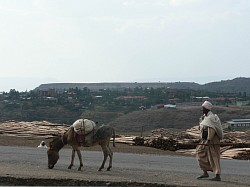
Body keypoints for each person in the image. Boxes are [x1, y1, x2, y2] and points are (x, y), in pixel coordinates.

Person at [196, 101, 223, 181]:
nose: (202, 109)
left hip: (211, 140)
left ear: (207, 109)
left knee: (213, 157)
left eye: (203, 108)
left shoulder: (211, 118)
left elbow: (211, 130)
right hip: (204, 139)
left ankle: (217, 175)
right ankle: (205, 172)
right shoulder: (205, 117)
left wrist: (209, 140)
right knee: (200, 153)